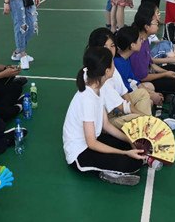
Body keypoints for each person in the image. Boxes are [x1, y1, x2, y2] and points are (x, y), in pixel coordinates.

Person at [62, 47, 146, 185]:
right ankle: (108, 173)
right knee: (132, 163)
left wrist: (129, 140)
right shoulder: (87, 99)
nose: (114, 66)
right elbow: (91, 143)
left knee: (132, 145)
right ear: (107, 71)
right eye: (112, 63)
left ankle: (118, 162)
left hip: (93, 140)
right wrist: (124, 153)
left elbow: (106, 125)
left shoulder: (98, 87)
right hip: (79, 153)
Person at [87, 27, 153, 128]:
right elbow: (122, 106)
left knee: (142, 94)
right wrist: (145, 117)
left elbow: (124, 93)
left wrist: (137, 111)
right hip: (106, 120)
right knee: (137, 118)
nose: (110, 50)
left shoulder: (111, 65)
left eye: (112, 46)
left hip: (117, 109)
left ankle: (146, 126)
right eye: (105, 46)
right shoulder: (99, 75)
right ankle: (149, 126)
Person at [113, 25, 163, 106]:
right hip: (121, 97)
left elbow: (134, 79)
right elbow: (126, 89)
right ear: (132, 45)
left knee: (150, 87)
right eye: (139, 39)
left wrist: (152, 93)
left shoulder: (125, 57)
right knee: (149, 101)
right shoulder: (118, 64)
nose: (142, 41)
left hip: (128, 88)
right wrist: (150, 95)